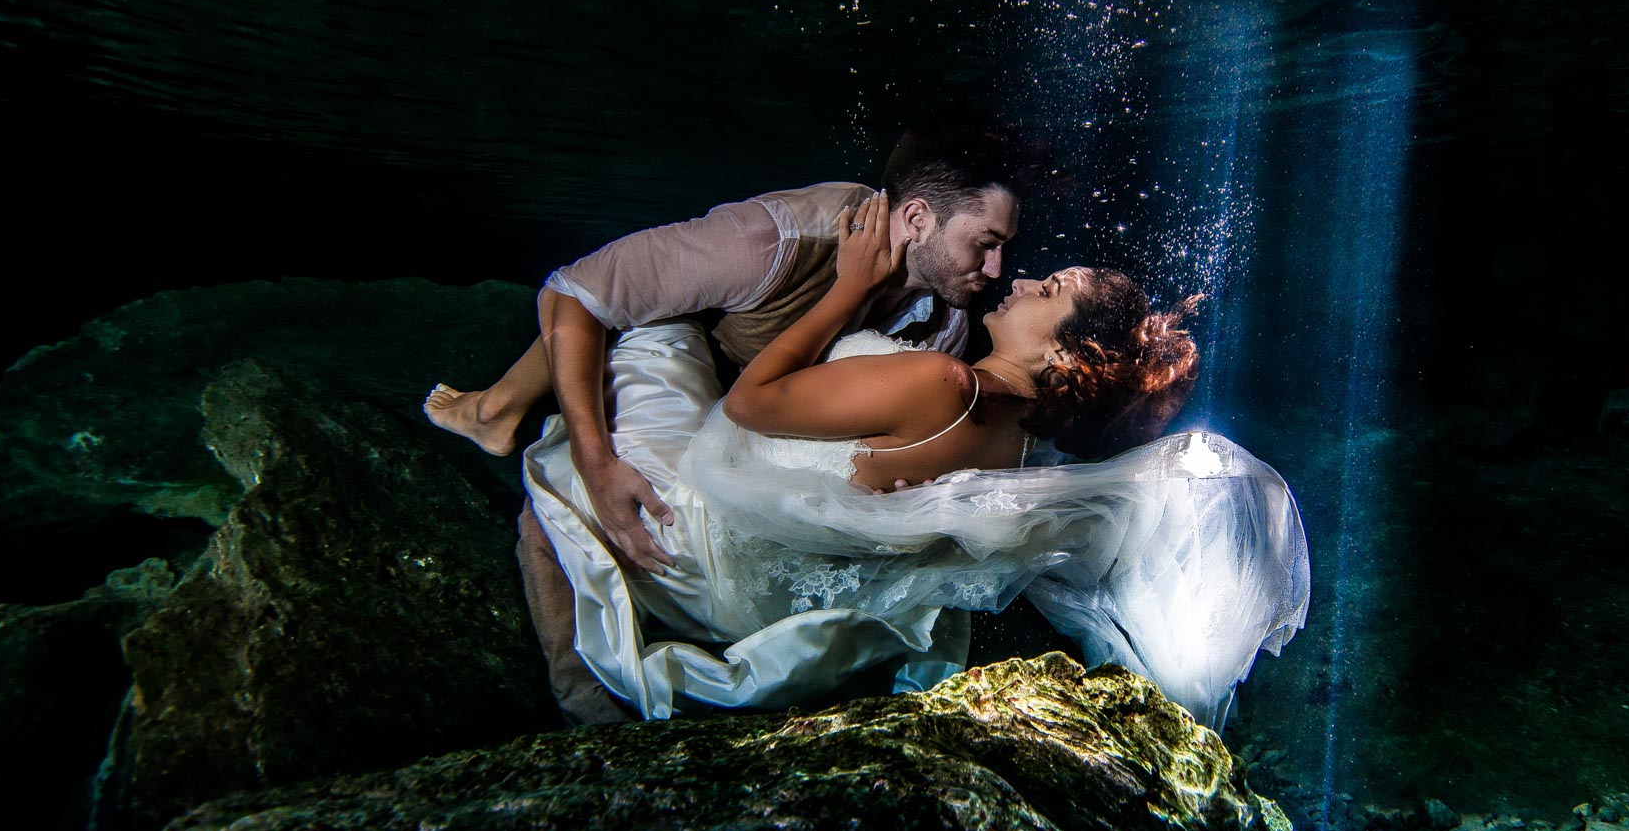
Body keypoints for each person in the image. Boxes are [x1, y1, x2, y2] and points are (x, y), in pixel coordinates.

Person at [521, 191, 1311, 730]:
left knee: (646, 334)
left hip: (700, 545)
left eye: (1052, 288)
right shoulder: (1024, 446)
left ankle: (576, 680)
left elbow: (750, 406)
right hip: (774, 606)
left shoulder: (947, 383)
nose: (1026, 279)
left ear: (1070, 350)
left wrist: (846, 286)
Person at [427, 125, 1033, 718]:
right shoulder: (777, 238)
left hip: (752, 439)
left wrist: (902, 486)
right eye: (985, 242)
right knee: (593, 432)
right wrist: (597, 462)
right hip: (690, 376)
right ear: (919, 219)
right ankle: (499, 410)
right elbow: (573, 290)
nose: (999, 267)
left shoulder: (945, 324)